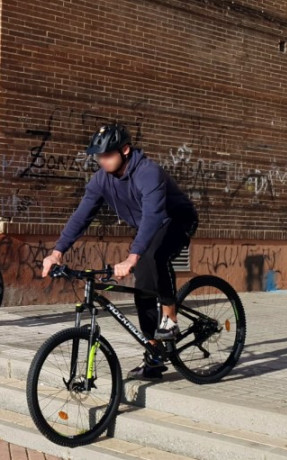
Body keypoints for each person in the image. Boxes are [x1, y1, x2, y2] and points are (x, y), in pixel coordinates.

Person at [41, 124, 198, 380]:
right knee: (144, 288)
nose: (102, 161)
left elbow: (153, 216)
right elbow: (82, 216)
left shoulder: (148, 172)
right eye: (98, 156)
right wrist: (57, 251)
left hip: (176, 221)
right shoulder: (102, 179)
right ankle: (154, 354)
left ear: (125, 150)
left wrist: (132, 256)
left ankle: (170, 315)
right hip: (148, 227)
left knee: (151, 257)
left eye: (107, 155)